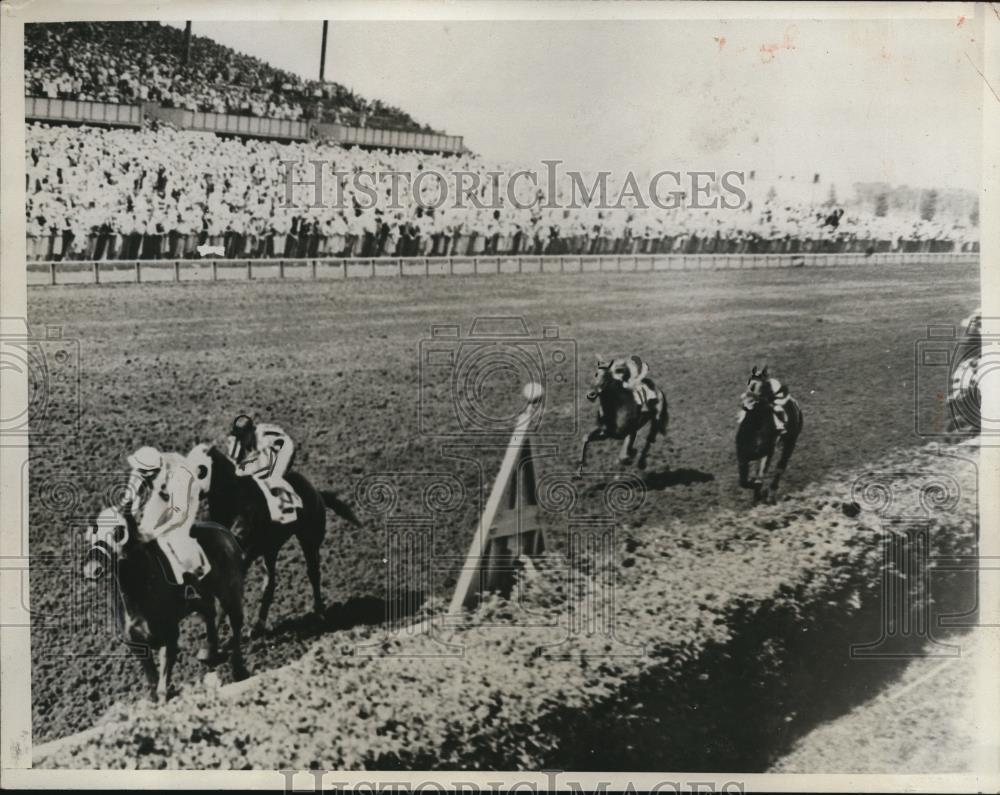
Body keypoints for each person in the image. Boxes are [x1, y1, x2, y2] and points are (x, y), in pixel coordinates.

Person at [123, 444, 212, 584]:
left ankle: (195, 572)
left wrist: (154, 534)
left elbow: (178, 517)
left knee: (175, 537)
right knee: (145, 526)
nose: (139, 478)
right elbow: (129, 501)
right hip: (162, 492)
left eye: (143, 476)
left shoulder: (180, 477)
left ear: (153, 473)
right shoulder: (142, 469)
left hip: (186, 497)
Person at [226, 415, 301, 522]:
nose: (241, 440)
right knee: (240, 470)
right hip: (264, 449)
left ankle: (288, 506)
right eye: (239, 437)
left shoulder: (262, 439)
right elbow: (233, 462)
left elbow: (266, 465)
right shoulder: (244, 438)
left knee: (270, 476)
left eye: (243, 437)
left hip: (283, 448)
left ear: (250, 432)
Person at [741, 366, 791, 434]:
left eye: (764, 377)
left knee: (775, 409)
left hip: (771, 402)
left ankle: (780, 426)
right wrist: (747, 396)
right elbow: (750, 392)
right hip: (759, 402)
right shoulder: (756, 383)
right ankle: (744, 422)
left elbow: (775, 395)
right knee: (747, 408)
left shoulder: (772, 383)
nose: (763, 379)